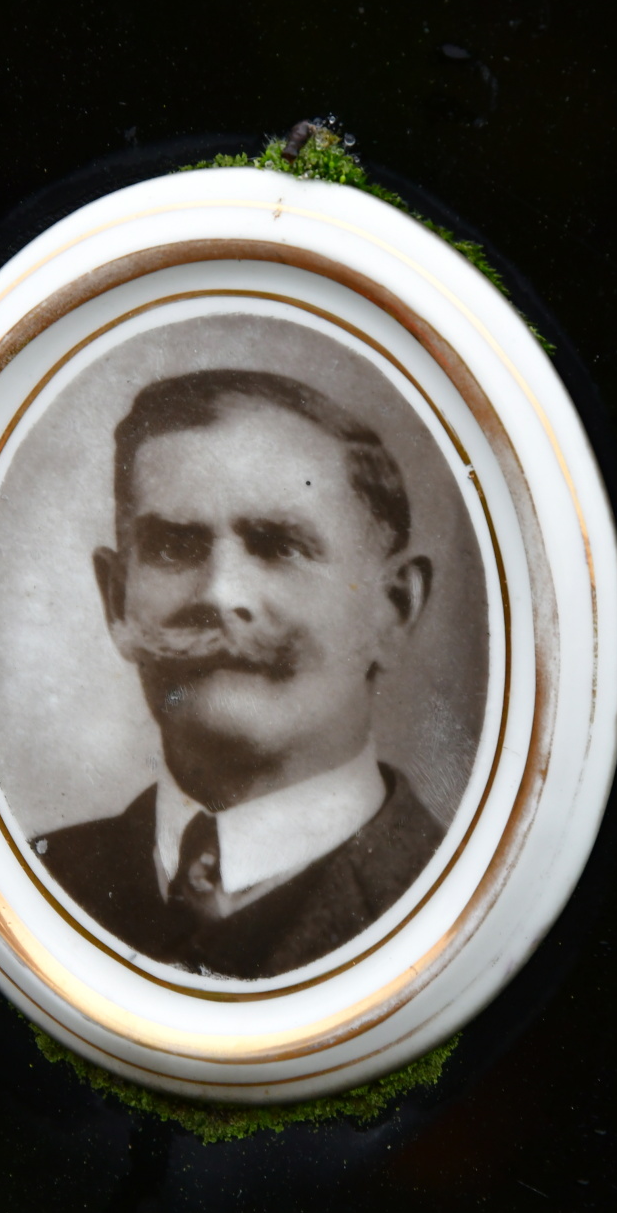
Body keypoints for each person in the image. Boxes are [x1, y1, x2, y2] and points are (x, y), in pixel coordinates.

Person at [33, 368, 443, 979]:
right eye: (175, 546)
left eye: (279, 546)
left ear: (394, 609)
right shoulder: (33, 888)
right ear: (117, 601)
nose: (221, 593)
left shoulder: (457, 899)